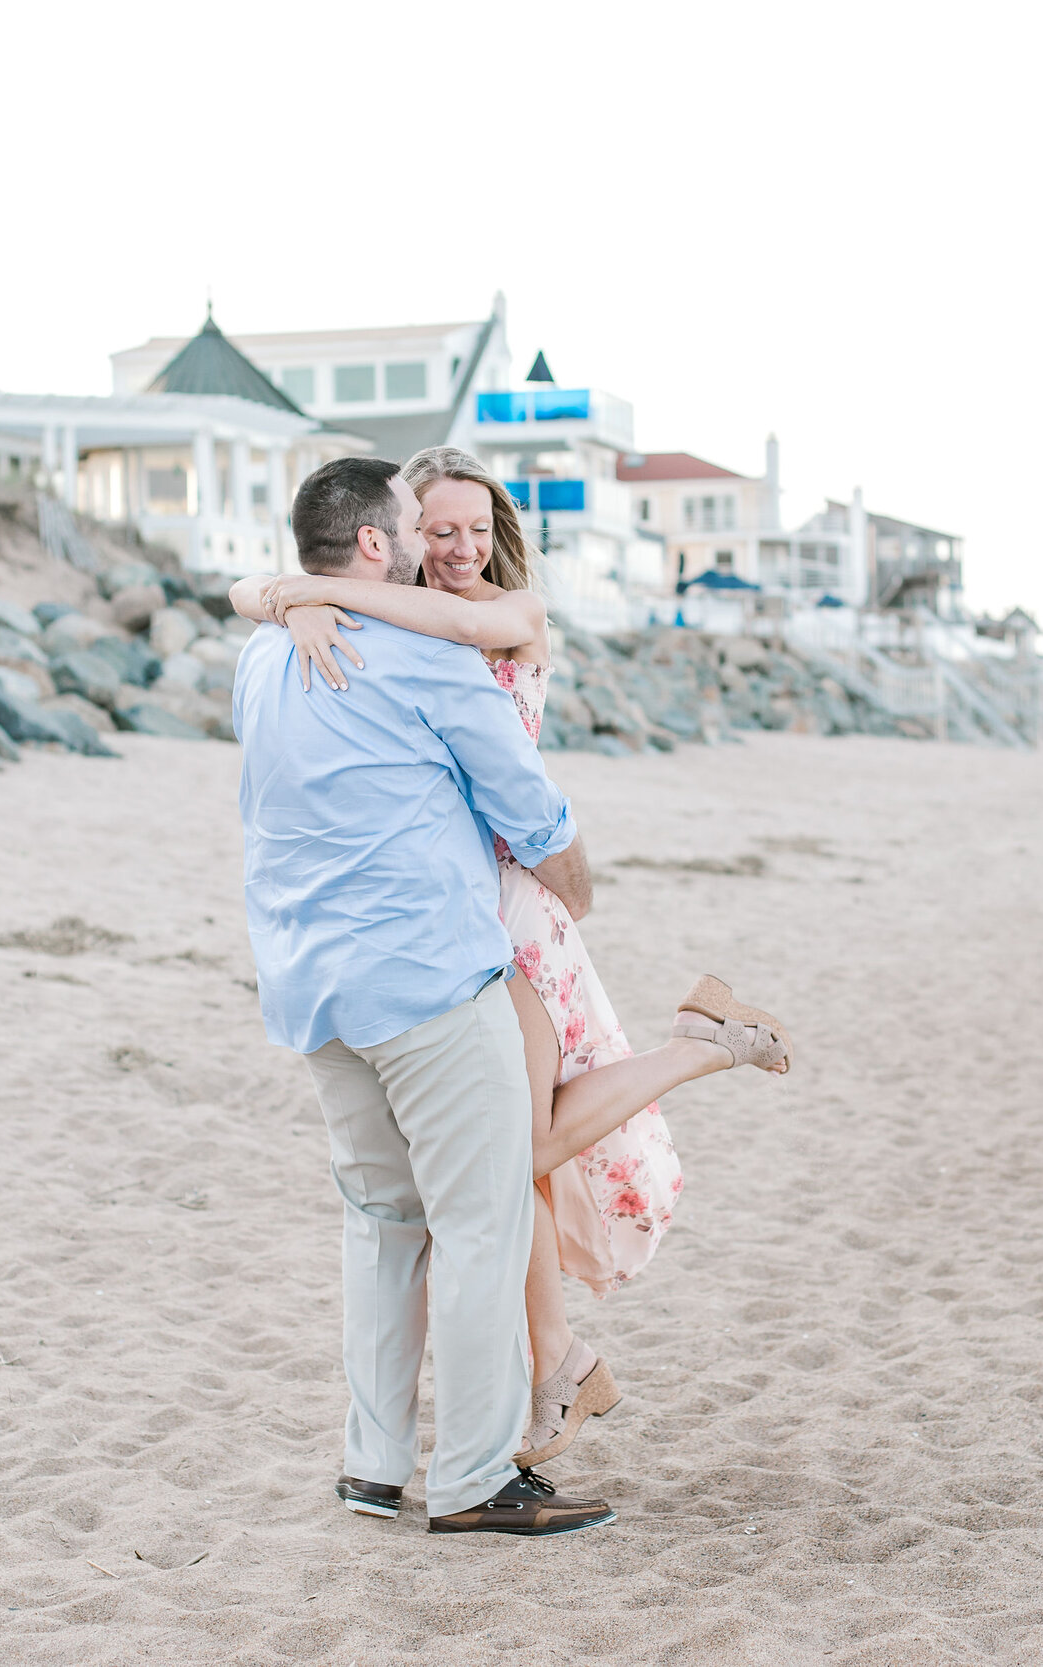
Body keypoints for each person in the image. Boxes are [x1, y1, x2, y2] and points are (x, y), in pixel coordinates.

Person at [232, 444, 790, 1470]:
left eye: (474, 529)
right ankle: (559, 1363)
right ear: (393, 537)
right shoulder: (372, 617)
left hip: (505, 906)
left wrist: (297, 594)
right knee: (510, 1161)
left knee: (509, 1159)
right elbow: (296, 599)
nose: (453, 548)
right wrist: (296, 600)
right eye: (434, 529)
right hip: (453, 905)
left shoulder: (499, 615)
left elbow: (454, 644)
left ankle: (690, 1057)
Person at [234, 455, 617, 1536]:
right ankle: (474, 1479)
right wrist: (577, 901)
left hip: (313, 985)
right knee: (482, 1220)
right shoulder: (422, 652)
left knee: (380, 1223)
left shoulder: (262, 657)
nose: (421, 536)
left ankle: (373, 1464)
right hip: (429, 981)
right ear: (374, 545)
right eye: (409, 520)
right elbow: (530, 810)